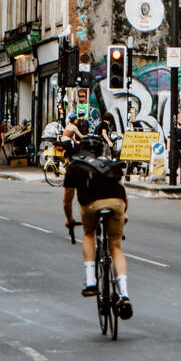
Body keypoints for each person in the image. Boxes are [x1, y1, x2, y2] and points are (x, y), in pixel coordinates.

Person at [62, 136, 133, 319]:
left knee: (88, 233)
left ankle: (91, 282)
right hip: (117, 203)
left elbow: (67, 201)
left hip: (91, 205)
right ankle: (124, 294)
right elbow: (122, 191)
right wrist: (124, 212)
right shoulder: (109, 163)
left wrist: (69, 219)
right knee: (116, 246)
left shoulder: (75, 166)